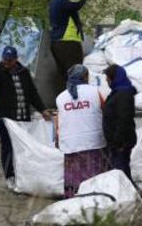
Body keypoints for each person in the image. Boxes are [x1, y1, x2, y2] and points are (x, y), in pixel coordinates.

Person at [0, 46, 51, 189]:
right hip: (6, 120)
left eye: (10, 60)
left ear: (15, 59)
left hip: (22, 118)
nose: (7, 62)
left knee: (23, 147)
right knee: (7, 147)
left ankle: (23, 175)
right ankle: (10, 176)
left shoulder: (24, 72)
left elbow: (32, 93)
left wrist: (42, 110)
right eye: (5, 59)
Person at [56, 64, 107, 198]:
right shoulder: (96, 92)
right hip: (93, 143)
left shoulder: (60, 97)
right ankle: (93, 199)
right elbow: (106, 112)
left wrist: (57, 139)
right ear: (85, 77)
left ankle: (72, 200)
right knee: (92, 174)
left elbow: (59, 123)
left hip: (70, 144)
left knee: (73, 175)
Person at [49, 0, 87, 80]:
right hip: (67, 42)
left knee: (66, 76)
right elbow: (77, 3)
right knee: (76, 73)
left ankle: (68, 94)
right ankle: (76, 95)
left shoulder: (55, 0)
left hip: (58, 42)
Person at [103, 65, 137, 180]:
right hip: (117, 142)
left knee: (121, 171)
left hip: (121, 143)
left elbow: (124, 119)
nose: (106, 81)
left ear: (114, 78)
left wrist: (119, 143)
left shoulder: (123, 94)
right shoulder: (119, 92)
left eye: (108, 78)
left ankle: (127, 192)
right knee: (120, 170)